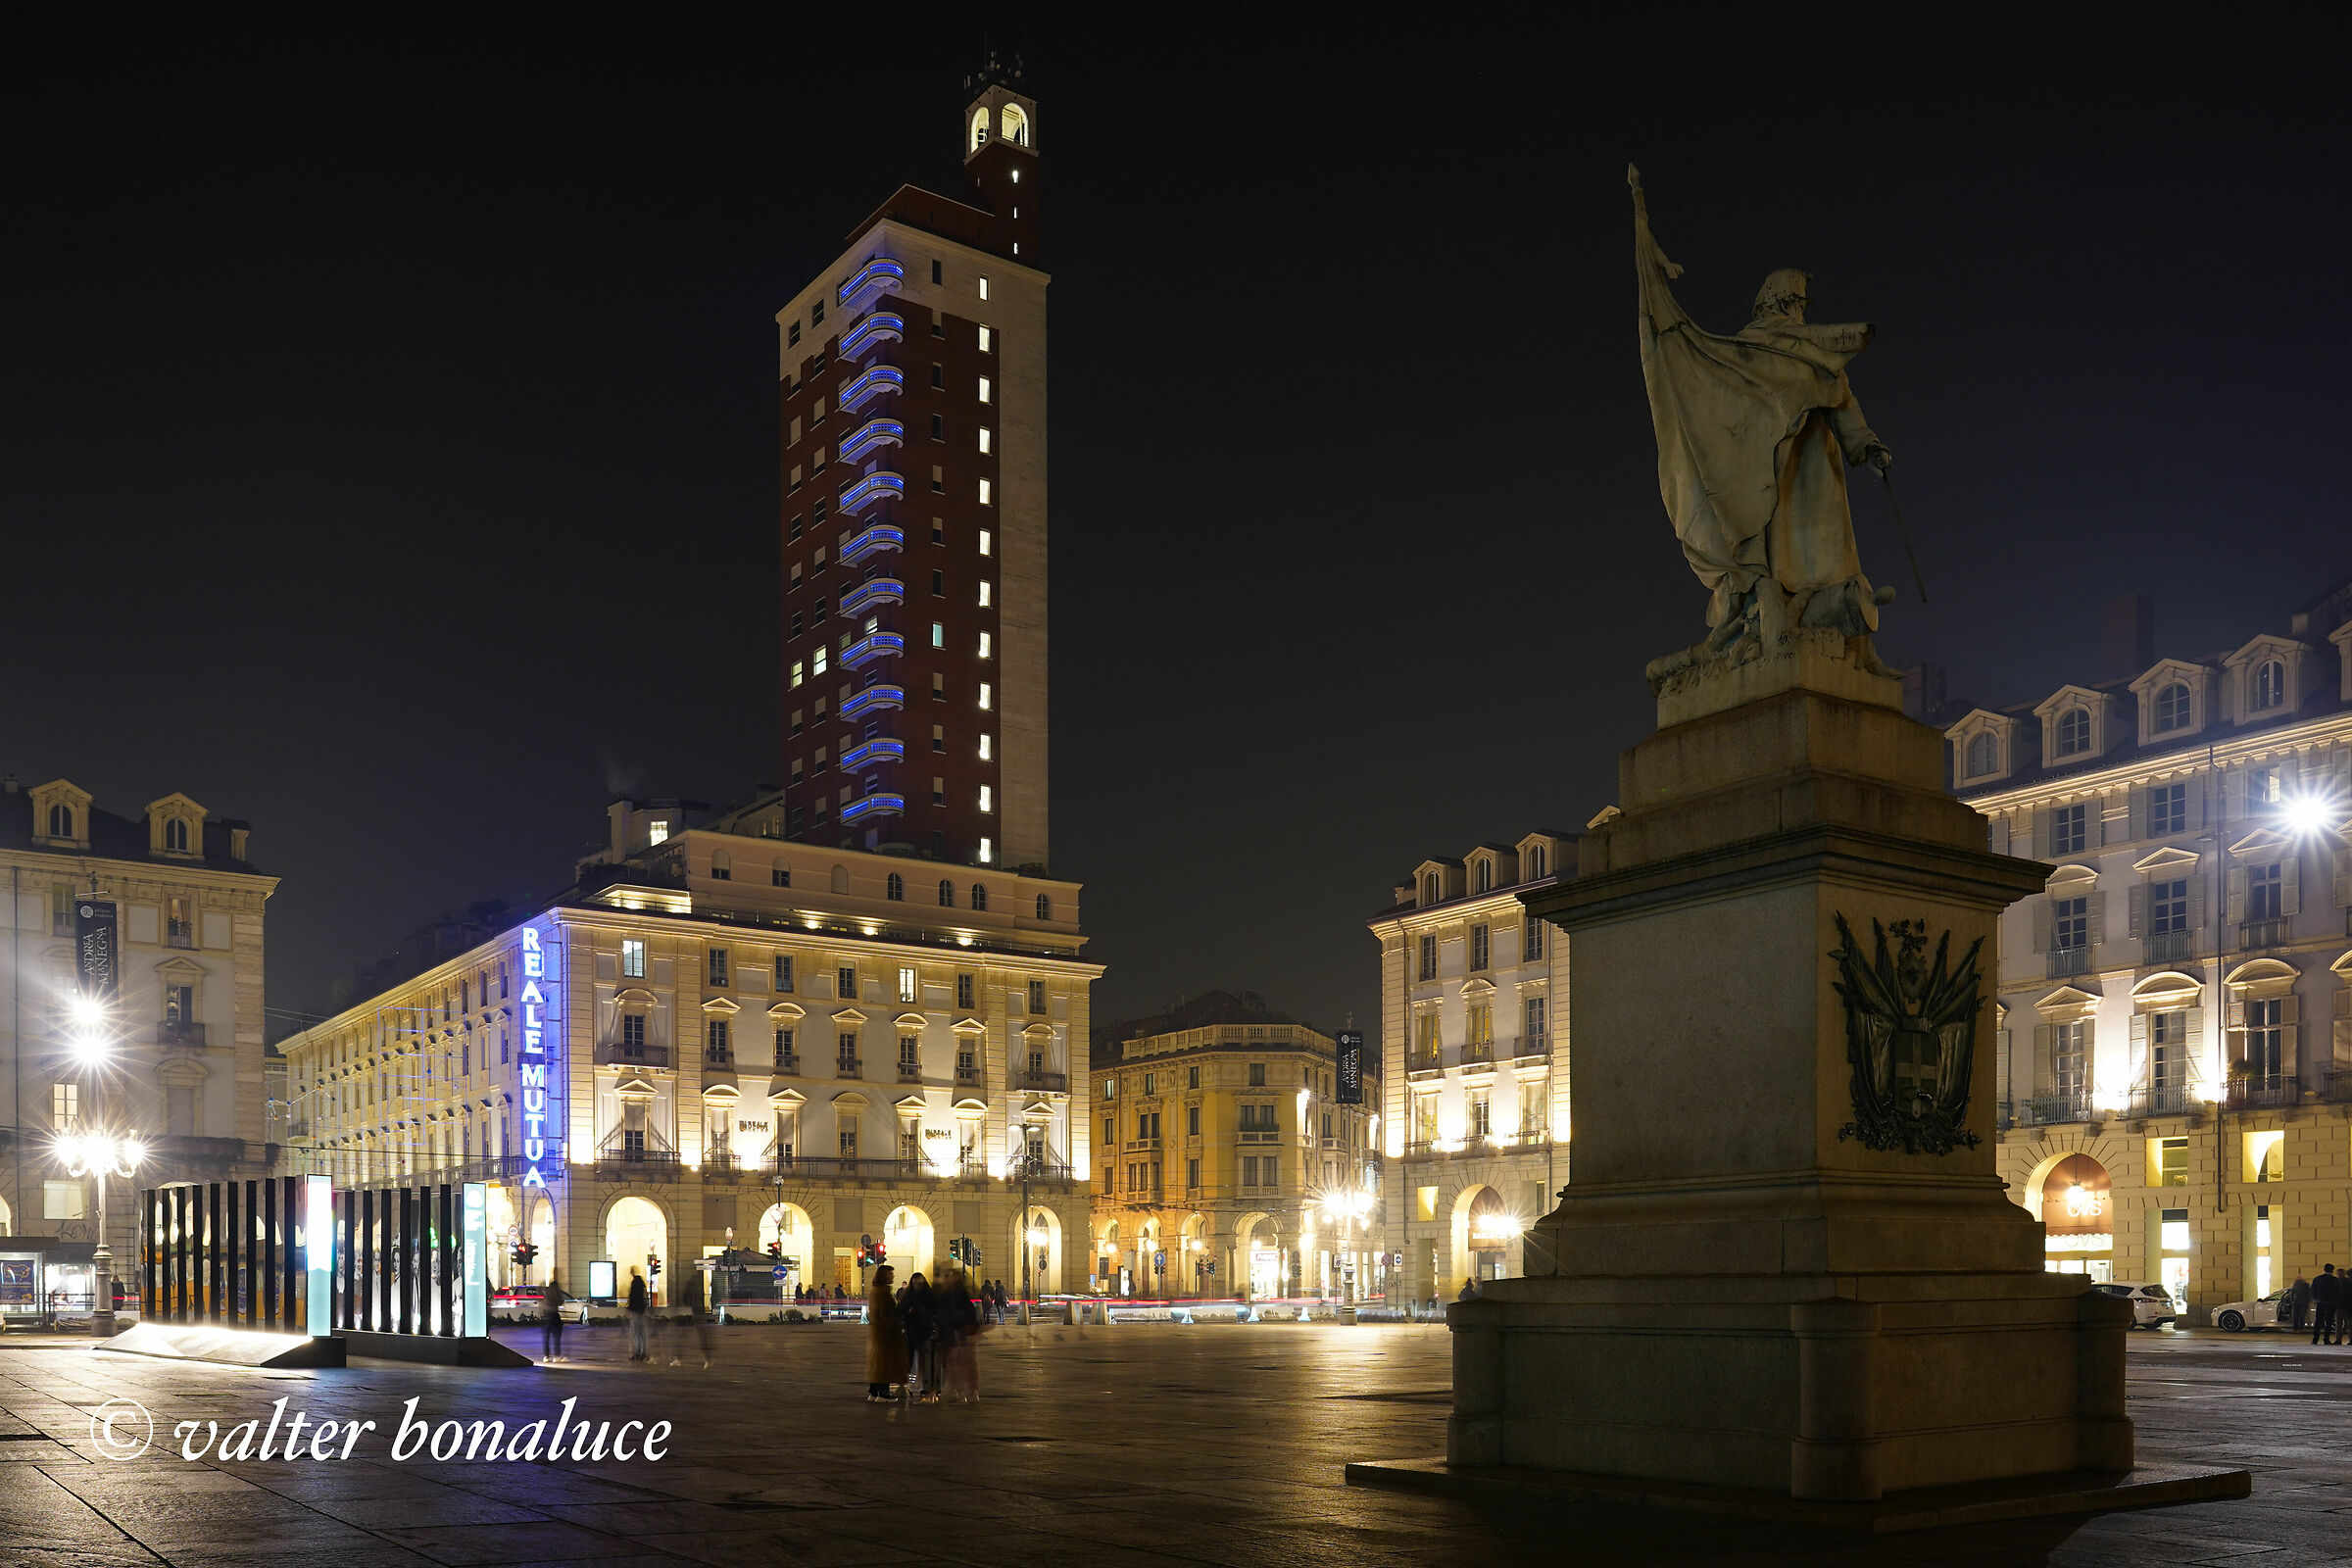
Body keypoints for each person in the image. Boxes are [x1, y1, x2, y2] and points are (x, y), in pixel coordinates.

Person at [936, 1263, 982, 1400]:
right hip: (953, 1331)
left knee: (965, 1362)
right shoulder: (948, 1294)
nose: (948, 1279)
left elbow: (960, 1313)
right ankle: (958, 1390)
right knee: (955, 1363)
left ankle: (969, 1391)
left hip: (962, 1331)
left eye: (951, 1276)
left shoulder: (958, 1293)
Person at [865, 1265, 906, 1401]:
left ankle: (874, 1391)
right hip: (885, 1334)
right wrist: (896, 1325)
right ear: (884, 1276)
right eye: (890, 1274)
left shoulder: (875, 1291)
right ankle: (883, 1392)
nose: (893, 1276)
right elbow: (886, 1314)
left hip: (877, 1333)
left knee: (877, 1363)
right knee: (885, 1363)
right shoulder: (883, 1292)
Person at [901, 1271, 939, 1402]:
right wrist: (909, 1312)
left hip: (925, 1332)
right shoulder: (907, 1296)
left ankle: (924, 1385)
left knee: (925, 1361)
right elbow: (901, 1311)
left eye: (920, 1284)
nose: (918, 1286)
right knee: (911, 1361)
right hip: (912, 1332)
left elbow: (935, 1310)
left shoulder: (929, 1295)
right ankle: (911, 1385)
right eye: (916, 1284)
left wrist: (924, 1312)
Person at [681, 1265, 714, 1369]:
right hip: (698, 1311)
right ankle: (707, 1358)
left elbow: (686, 1296)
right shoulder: (697, 1281)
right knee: (702, 1336)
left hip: (696, 1311)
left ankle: (707, 1359)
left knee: (700, 1337)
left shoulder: (691, 1281)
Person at [625, 1267, 651, 1361]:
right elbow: (642, 1297)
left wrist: (630, 1309)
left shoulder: (635, 1283)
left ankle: (638, 1352)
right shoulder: (641, 1283)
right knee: (641, 1333)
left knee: (636, 1333)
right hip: (641, 1310)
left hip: (636, 1311)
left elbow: (633, 1298)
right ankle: (643, 1353)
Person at [2314, 1264, 2343, 1347]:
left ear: (2324, 1269)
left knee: (2318, 1321)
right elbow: (2339, 1292)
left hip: (2320, 1303)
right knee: (2329, 1321)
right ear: (2332, 1271)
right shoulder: (2335, 1280)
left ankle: (2315, 1339)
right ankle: (2326, 1339)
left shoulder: (2317, 1279)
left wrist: (2316, 1299)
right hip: (2331, 1303)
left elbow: (2313, 1290)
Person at [541, 1276, 567, 1363]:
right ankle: (556, 1356)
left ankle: (546, 1356)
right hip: (554, 1315)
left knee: (546, 1337)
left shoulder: (545, 1292)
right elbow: (560, 1301)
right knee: (556, 1337)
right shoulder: (555, 1292)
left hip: (545, 1316)